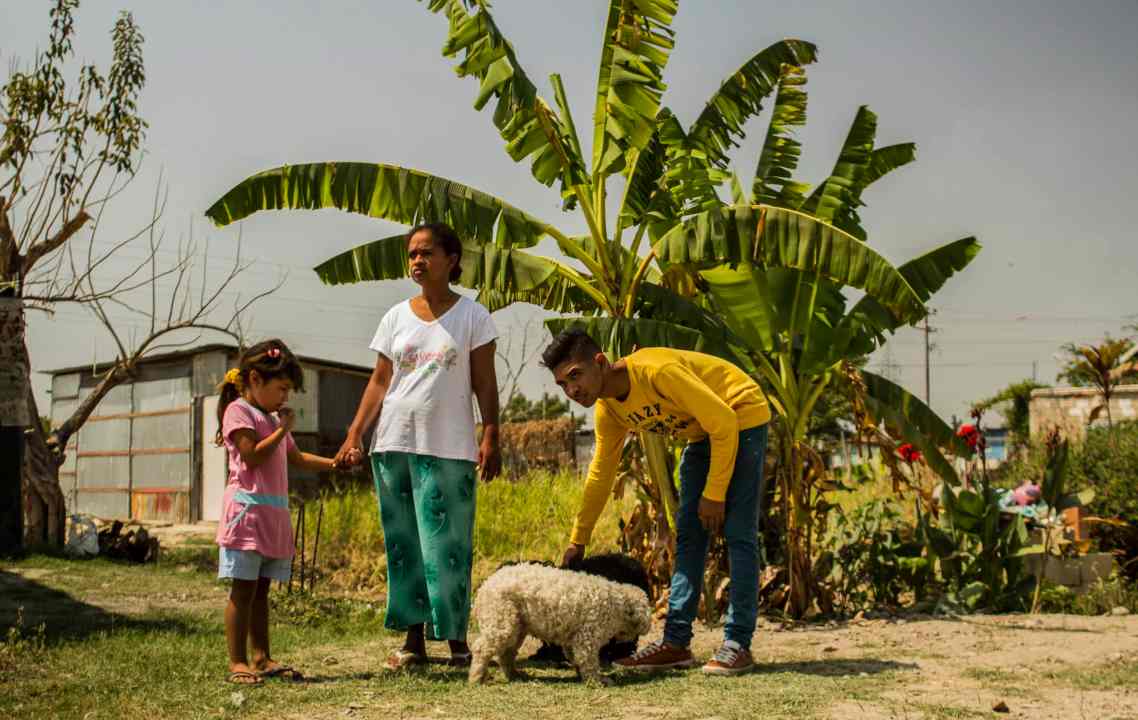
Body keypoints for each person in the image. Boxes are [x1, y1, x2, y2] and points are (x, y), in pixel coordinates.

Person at [543, 328, 771, 676]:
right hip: (703, 433)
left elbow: (724, 420)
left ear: (600, 362)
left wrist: (714, 493)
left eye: (575, 376)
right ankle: (675, 643)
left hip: (740, 415)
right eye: (563, 384)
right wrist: (579, 538)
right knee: (688, 536)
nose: (572, 390)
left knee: (739, 534)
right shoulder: (609, 410)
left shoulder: (656, 372)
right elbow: (601, 473)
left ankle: (738, 643)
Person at [335, 222, 501, 670]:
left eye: (426, 253)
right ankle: (413, 642)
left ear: (452, 259)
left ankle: (457, 641)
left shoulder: (473, 317)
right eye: (412, 254)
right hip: (393, 443)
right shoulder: (395, 317)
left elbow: (485, 383)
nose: (417, 261)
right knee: (405, 545)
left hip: (449, 447)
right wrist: (355, 433)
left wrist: (491, 433)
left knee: (448, 546)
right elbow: (379, 381)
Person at [215, 339, 341, 685]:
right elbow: (253, 454)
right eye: (282, 388)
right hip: (247, 514)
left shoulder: (271, 418)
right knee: (243, 591)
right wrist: (283, 428)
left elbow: (296, 458)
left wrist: (335, 463)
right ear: (255, 379)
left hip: (271, 515)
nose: (285, 397)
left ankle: (262, 657)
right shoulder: (239, 411)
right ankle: (238, 662)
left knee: (261, 591)